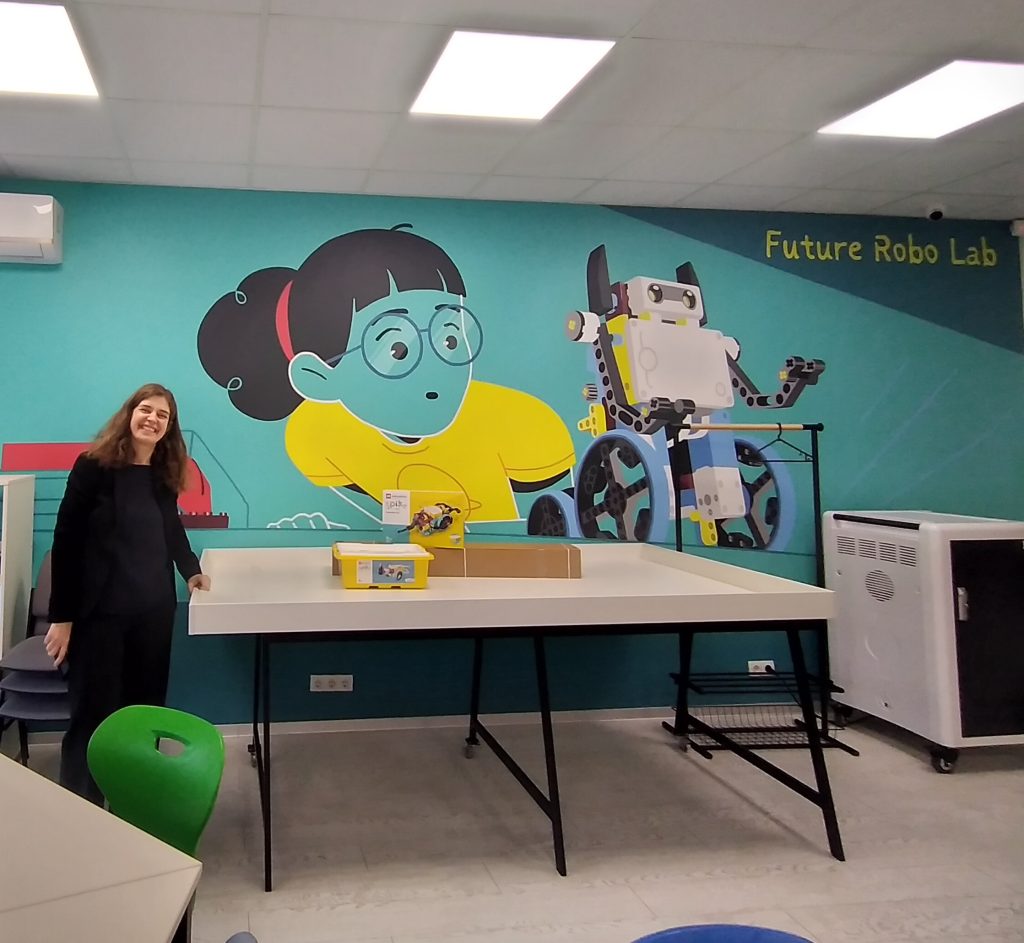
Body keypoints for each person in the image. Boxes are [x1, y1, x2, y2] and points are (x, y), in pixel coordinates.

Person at [44, 383, 211, 802]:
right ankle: (80, 810)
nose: (153, 419)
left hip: (153, 614)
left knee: (144, 713)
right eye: (146, 410)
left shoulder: (161, 473)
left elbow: (170, 527)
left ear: (169, 427)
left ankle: (135, 802)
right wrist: (61, 618)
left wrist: (191, 570)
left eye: (163, 415)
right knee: (92, 717)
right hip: (98, 617)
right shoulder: (93, 467)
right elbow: (65, 541)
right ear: (130, 413)